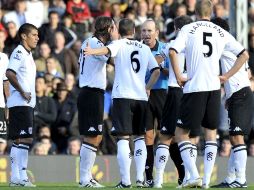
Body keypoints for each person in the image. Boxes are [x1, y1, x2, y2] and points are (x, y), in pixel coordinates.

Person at [169, 0, 249, 188]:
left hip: (195, 87)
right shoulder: (221, 31)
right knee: (211, 134)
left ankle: (194, 175)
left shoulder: (188, 29)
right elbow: (244, 54)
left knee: (181, 133)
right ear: (211, 11)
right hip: (214, 88)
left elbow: (173, 51)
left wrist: (180, 75)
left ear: (195, 11)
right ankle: (205, 183)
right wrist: (226, 76)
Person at [84, 18, 160, 188]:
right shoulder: (145, 48)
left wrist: (92, 51)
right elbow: (156, 70)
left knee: (123, 138)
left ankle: (126, 181)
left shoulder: (120, 44)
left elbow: (107, 49)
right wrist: (147, 87)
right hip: (141, 97)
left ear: (119, 30)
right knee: (140, 137)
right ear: (133, 30)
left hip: (123, 97)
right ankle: (140, 179)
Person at [210, 17, 254, 188]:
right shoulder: (230, 44)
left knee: (237, 138)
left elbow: (245, 57)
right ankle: (230, 178)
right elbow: (248, 73)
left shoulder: (226, 42)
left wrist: (227, 78)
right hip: (237, 95)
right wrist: (229, 94)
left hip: (241, 94)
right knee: (235, 138)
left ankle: (241, 180)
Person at [152, 15, 193, 188]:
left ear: (176, 29)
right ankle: (191, 177)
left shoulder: (171, 45)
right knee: (186, 137)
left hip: (175, 92)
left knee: (165, 137)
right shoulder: (195, 47)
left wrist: (161, 67)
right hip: (192, 94)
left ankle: (159, 180)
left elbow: (154, 62)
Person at [77, 16, 115, 188]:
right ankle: (84, 178)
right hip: (91, 93)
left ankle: (87, 177)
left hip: (92, 93)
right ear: (107, 29)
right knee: (92, 136)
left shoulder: (88, 42)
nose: (114, 31)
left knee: (96, 136)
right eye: (113, 28)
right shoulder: (96, 44)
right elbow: (112, 59)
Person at [6, 23, 39, 187]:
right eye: (34, 35)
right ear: (24, 36)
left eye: (38, 35)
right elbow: (9, 73)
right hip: (20, 103)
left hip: (24, 104)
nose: (37, 38)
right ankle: (22, 176)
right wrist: (22, 91)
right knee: (25, 139)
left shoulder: (28, 54)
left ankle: (15, 177)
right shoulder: (19, 52)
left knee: (19, 139)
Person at [140, 19, 170, 187]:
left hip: (161, 93)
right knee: (148, 136)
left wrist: (156, 67)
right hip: (143, 93)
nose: (146, 34)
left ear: (157, 32)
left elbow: (171, 71)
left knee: (167, 135)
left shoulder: (164, 48)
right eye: (144, 30)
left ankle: (181, 175)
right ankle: (149, 177)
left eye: (150, 31)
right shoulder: (137, 48)